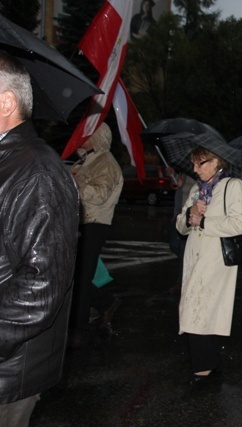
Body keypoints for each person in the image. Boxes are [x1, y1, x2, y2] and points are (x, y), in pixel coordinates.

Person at [0, 50, 79, 425]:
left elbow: (43, 284)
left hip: (9, 370)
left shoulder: (37, 173)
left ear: (6, 102)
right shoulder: (10, 163)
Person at [176, 146, 242, 385]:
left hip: (216, 258)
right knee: (198, 308)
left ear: (217, 161)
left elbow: (239, 224)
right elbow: (180, 226)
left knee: (195, 309)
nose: (195, 170)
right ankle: (212, 362)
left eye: (201, 163)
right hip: (194, 256)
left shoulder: (232, 186)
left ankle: (202, 368)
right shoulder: (197, 189)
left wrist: (205, 221)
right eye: (193, 165)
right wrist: (190, 214)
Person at [69, 123, 124, 347]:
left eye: (88, 131)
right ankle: (105, 302)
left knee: (81, 277)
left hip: (94, 223)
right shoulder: (83, 160)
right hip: (79, 223)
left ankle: (78, 328)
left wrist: (74, 184)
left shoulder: (107, 162)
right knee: (75, 275)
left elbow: (100, 194)